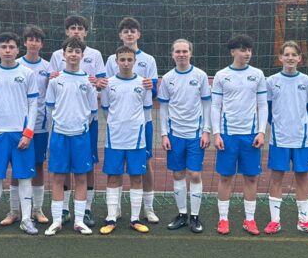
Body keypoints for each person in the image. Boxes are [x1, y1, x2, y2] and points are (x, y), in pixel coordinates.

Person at [49, 15, 106, 228]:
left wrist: (95, 83)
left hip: (85, 124)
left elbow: (100, 83)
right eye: (72, 28)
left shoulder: (95, 54)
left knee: (86, 166)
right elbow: (52, 90)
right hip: (62, 125)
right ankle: (63, 210)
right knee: (60, 170)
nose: (76, 31)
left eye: (80, 28)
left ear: (85, 32)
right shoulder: (57, 56)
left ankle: (85, 211)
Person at [0, 32, 40, 236]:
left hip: (21, 134)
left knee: (24, 177)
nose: (7, 50)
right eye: (4, 47)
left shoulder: (27, 74)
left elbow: (34, 105)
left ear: (17, 50)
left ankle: (26, 219)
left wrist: (28, 133)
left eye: (11, 47)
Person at [211, 34, 267, 235]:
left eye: (249, 50)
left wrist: (261, 132)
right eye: (243, 50)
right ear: (233, 52)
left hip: (250, 136)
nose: (247, 54)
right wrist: (216, 134)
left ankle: (249, 220)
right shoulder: (221, 75)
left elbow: (262, 105)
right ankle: (223, 219)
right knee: (225, 177)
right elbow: (215, 106)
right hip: (228, 136)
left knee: (251, 178)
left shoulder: (258, 74)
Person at [104, 17, 159, 222]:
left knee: (145, 163)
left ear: (138, 34)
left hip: (143, 122)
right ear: (120, 35)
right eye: (125, 31)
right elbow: (108, 90)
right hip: (119, 123)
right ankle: (115, 209)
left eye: (132, 30)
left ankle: (148, 208)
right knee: (115, 169)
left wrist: (149, 88)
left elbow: (153, 91)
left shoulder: (149, 60)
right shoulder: (112, 59)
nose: (129, 34)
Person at [44, 36, 97, 236]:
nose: (73, 55)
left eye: (77, 51)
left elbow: (92, 112)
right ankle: (57, 221)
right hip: (59, 136)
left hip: (80, 137)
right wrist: (61, 124)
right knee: (58, 177)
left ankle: (79, 221)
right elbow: (50, 108)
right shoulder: (55, 81)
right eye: (70, 51)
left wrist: (80, 125)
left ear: (82, 55)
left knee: (81, 177)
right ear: (63, 54)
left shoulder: (88, 82)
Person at [265, 41, 308, 235]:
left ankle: (303, 221)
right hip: (279, 139)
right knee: (276, 178)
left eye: (293, 55)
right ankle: (275, 221)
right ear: (280, 58)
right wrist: (280, 125)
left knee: (302, 179)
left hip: (301, 139)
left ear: (299, 58)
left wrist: (298, 124)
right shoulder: (271, 81)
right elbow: (268, 110)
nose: (290, 58)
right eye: (286, 54)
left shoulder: (307, 81)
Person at [99, 46, 154, 234]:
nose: (126, 63)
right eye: (122, 60)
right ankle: (111, 218)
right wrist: (117, 124)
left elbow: (146, 109)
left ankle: (134, 219)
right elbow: (105, 109)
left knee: (136, 177)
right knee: (113, 177)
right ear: (116, 62)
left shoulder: (143, 83)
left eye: (129, 60)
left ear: (135, 62)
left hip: (136, 139)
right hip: (114, 139)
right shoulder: (108, 83)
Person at [159, 39, 211, 234]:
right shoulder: (168, 78)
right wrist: (164, 134)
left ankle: (195, 216)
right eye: (178, 51)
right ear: (172, 54)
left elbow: (207, 104)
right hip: (175, 135)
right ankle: (182, 214)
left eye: (185, 51)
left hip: (195, 135)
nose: (181, 54)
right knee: (178, 174)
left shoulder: (200, 75)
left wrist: (206, 130)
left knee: (195, 174)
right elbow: (163, 108)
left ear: (190, 53)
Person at [5, 25, 51, 225]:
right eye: (30, 39)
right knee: (18, 167)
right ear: (24, 43)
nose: (33, 43)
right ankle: (14, 210)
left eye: (37, 40)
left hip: (40, 125)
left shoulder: (48, 68)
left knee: (38, 165)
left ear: (41, 44)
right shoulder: (16, 65)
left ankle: (37, 209)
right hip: (17, 126)